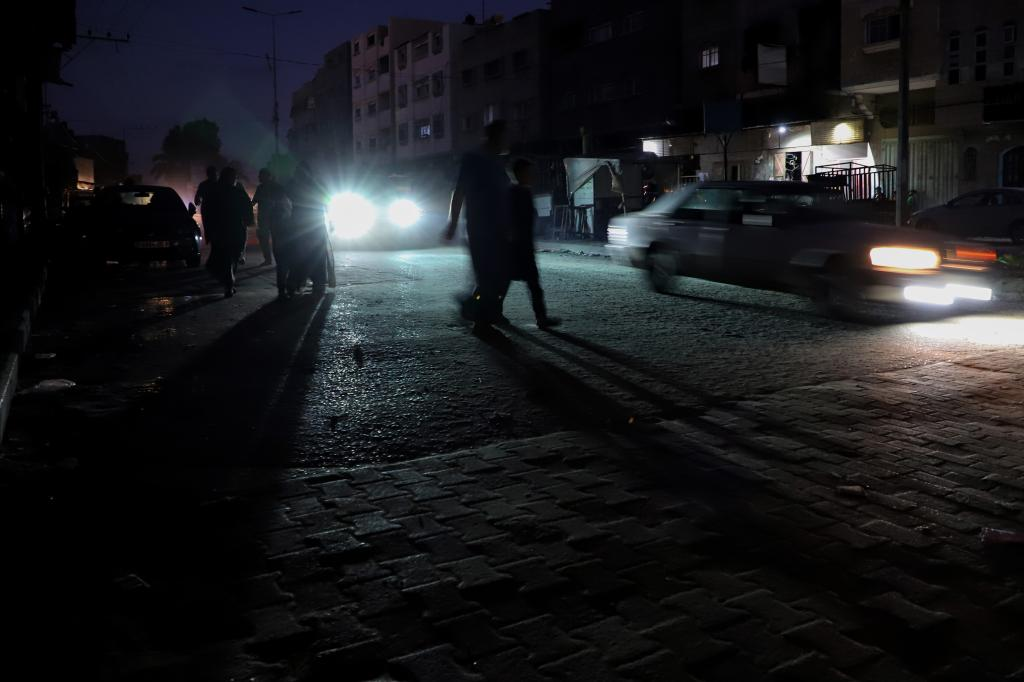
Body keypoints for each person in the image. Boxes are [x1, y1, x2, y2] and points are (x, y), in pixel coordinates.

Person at [444, 119, 511, 334]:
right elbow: (459, 191)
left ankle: (484, 309)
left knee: (500, 274)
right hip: (480, 227)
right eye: (505, 136)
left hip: (499, 227)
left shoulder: (497, 161)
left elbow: (505, 193)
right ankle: (480, 318)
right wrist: (453, 223)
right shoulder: (474, 159)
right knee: (487, 275)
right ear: (496, 137)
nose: (508, 141)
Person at [503, 158, 560, 329]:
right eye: (529, 172)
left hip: (522, 246)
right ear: (519, 173)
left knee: (527, 283)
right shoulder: (514, 193)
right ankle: (488, 313)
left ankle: (541, 317)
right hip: (516, 247)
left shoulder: (521, 192)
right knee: (508, 283)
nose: (532, 176)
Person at [203, 167, 253, 297]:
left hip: (221, 232)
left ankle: (228, 284)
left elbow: (206, 212)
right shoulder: (237, 192)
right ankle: (229, 284)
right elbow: (247, 208)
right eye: (234, 177)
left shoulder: (214, 192)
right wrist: (248, 221)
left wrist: (209, 231)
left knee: (225, 259)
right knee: (231, 259)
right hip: (233, 231)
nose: (235, 180)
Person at [286, 162, 330, 295]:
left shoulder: (295, 184)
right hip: (309, 224)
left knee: (310, 254)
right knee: (310, 254)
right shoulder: (308, 184)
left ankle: (304, 282)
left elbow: (326, 201)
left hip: (308, 224)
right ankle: (311, 282)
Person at [252, 168, 293, 297]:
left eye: (262, 176)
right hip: (265, 219)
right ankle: (268, 259)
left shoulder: (277, 187)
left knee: (275, 241)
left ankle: (274, 260)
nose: (260, 178)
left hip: (275, 219)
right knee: (265, 239)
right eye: (260, 176)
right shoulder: (261, 188)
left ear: (268, 176)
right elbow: (254, 201)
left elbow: (284, 202)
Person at [194, 165, 218, 241]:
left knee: (209, 229)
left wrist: (198, 201)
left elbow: (197, 199)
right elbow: (197, 198)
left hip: (208, 209)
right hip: (214, 210)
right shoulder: (220, 184)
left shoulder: (203, 185)